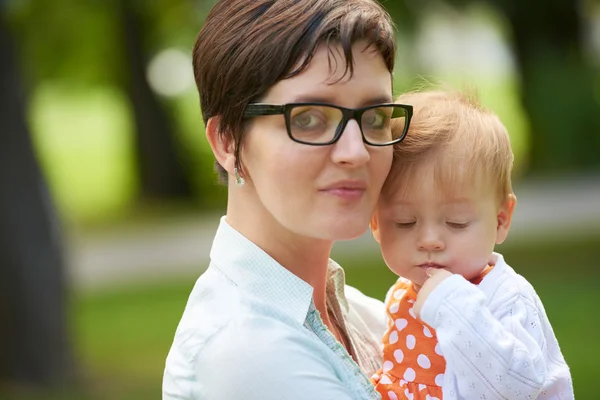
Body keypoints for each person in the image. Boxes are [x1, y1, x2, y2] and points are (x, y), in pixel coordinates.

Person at [163, 1, 414, 399]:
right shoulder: (246, 351)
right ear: (228, 142)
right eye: (309, 118)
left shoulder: (366, 315)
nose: (356, 151)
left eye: (375, 117)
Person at [370, 90, 574, 399]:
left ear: (501, 220)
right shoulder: (401, 293)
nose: (429, 241)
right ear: (376, 223)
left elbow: (514, 386)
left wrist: (453, 306)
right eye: (404, 222)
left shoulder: (507, 299)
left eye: (456, 222)